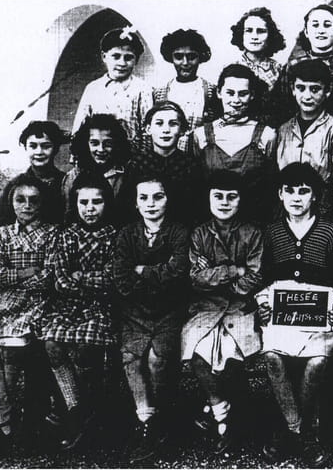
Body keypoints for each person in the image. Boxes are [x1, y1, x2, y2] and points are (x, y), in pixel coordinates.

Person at [256, 163, 333, 468]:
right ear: (280, 194)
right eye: (289, 191)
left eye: (303, 191)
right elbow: (263, 277)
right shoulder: (272, 232)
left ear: (315, 196)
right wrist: (264, 302)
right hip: (282, 313)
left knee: (317, 362)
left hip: (320, 314)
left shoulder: (329, 232)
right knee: (272, 357)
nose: (296, 197)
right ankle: (298, 429)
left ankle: (299, 432)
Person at [180, 170, 264, 454]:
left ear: (241, 200)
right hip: (205, 308)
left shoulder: (252, 233)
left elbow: (255, 276)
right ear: (208, 199)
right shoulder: (199, 234)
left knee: (233, 358)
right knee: (198, 355)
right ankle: (222, 414)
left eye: (232, 197)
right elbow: (195, 278)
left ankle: (230, 417)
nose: (224, 202)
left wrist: (218, 277)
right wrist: (233, 270)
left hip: (240, 308)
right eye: (218, 196)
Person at [0, 175, 58, 446]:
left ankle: (9, 422)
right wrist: (25, 272)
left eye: (33, 200)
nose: (27, 205)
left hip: (36, 302)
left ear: (42, 204)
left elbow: (48, 276)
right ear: (12, 203)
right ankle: (3, 415)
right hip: (5, 302)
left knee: (12, 348)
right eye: (20, 200)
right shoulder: (5, 233)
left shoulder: (51, 233)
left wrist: (18, 278)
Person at [112, 175, 190, 464]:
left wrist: (141, 270)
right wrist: (156, 274)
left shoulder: (178, 233)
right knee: (131, 358)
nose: (151, 204)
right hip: (134, 311)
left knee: (158, 359)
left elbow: (177, 274)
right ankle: (145, 419)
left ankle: (162, 416)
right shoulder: (127, 234)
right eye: (143, 198)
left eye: (158, 196)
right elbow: (121, 279)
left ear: (168, 199)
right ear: (135, 203)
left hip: (169, 310)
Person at [39, 173, 117, 450]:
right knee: (52, 344)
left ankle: (92, 410)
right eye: (83, 202)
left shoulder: (114, 236)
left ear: (107, 203)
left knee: (87, 347)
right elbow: (60, 280)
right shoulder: (66, 235)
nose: (90, 208)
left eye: (97, 202)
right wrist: (89, 281)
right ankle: (75, 407)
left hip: (101, 307)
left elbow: (112, 279)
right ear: (75, 203)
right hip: (67, 306)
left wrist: (80, 276)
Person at [275, 59, 333, 234]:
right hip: (288, 218)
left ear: (327, 91)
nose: (307, 96)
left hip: (323, 217)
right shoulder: (283, 129)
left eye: (315, 89)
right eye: (301, 88)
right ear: (292, 89)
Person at [191, 64, 276, 223]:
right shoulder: (201, 135)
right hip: (210, 223)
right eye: (230, 93)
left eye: (243, 94)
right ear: (219, 93)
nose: (236, 100)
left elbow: (270, 184)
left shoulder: (267, 135)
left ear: (252, 95)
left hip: (254, 221)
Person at [268, 4, 333, 127]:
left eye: (327, 25)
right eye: (315, 25)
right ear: (306, 32)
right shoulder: (292, 66)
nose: (321, 30)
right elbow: (282, 106)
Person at [73, 27, 152, 156]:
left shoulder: (143, 89)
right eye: (116, 56)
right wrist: (76, 156)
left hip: (132, 157)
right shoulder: (93, 88)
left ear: (136, 60)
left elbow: (148, 129)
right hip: (99, 154)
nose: (122, 63)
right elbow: (80, 126)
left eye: (128, 58)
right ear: (104, 56)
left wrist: (144, 158)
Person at [126, 101, 204, 227]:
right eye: (159, 123)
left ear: (182, 130)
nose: (166, 130)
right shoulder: (137, 164)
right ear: (148, 129)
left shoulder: (190, 165)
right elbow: (127, 206)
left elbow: (197, 208)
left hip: (182, 229)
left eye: (173, 124)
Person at [154, 29, 219, 151]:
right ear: (171, 58)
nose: (185, 63)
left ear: (200, 57)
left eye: (191, 57)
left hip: (202, 155)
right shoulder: (160, 93)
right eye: (179, 57)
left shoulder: (212, 91)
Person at [0, 121, 68, 227]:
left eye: (46, 146)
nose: (39, 152)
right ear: (26, 148)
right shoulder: (15, 185)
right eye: (33, 146)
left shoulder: (66, 183)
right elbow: (3, 225)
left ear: (56, 148)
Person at [62, 114, 130, 225]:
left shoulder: (125, 175)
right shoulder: (72, 177)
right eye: (94, 143)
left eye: (108, 144)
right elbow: (68, 215)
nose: (101, 149)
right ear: (84, 144)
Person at [230, 7, 286, 89]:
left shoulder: (278, 69)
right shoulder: (231, 68)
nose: (254, 37)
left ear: (270, 35)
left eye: (261, 31)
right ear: (241, 34)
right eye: (249, 30)